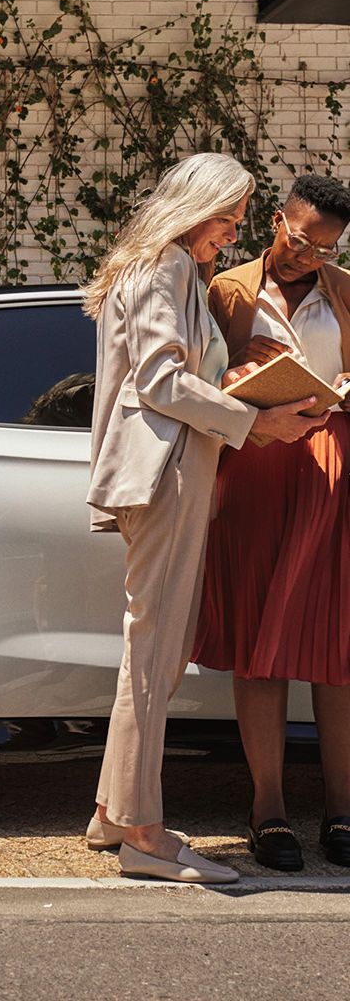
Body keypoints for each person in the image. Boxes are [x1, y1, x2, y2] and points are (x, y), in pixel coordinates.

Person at [83, 153, 327, 883]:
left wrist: (242, 381)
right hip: (167, 475)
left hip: (169, 472)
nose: (234, 231)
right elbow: (160, 381)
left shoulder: (168, 268)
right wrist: (254, 423)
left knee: (149, 651)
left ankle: (113, 813)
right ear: (195, 207)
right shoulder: (164, 266)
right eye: (228, 216)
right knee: (154, 655)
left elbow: (176, 376)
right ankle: (144, 836)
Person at [193, 173, 350, 872]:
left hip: (331, 472)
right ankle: (268, 811)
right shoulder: (227, 291)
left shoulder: (345, 291)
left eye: (325, 250)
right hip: (254, 468)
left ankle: (342, 810)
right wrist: (234, 379)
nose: (308, 258)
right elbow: (194, 380)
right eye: (301, 240)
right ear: (278, 222)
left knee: (336, 646)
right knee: (258, 640)